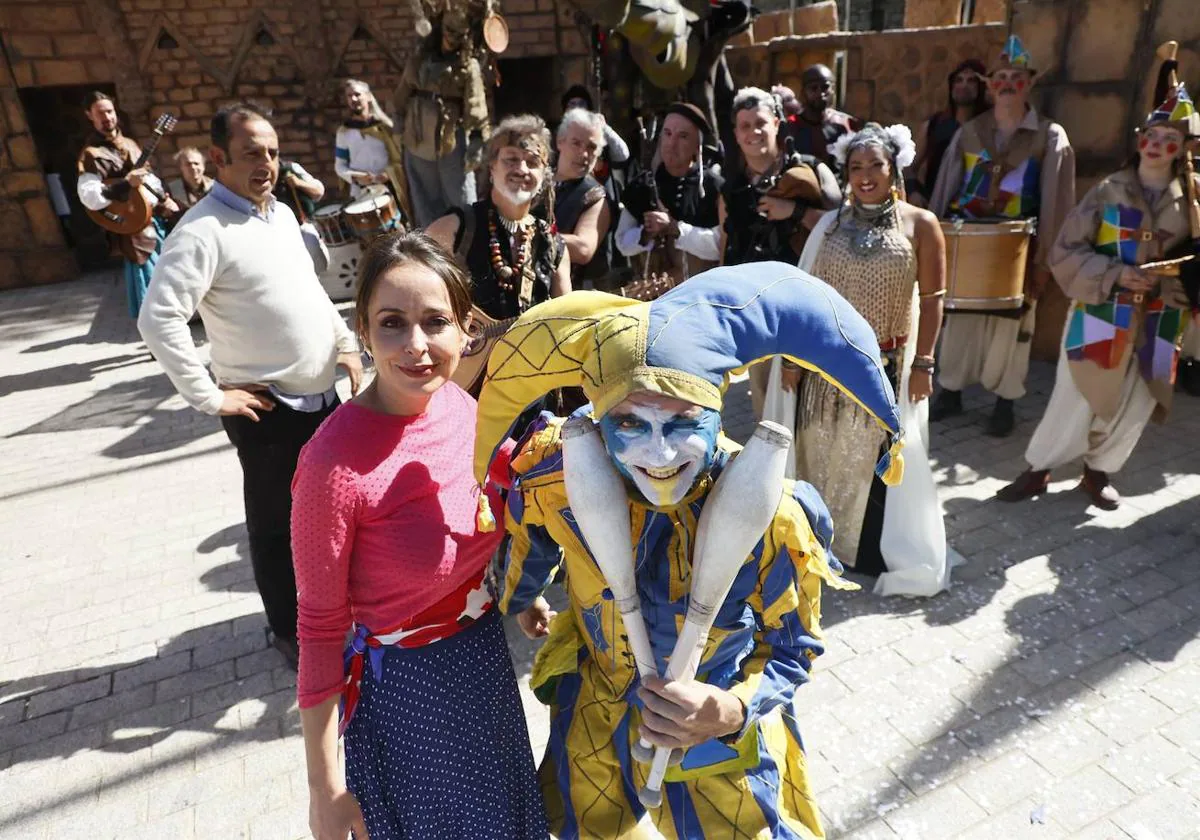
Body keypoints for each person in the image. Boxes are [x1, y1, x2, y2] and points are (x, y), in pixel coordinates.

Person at [471, 263, 904, 839]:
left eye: (683, 423)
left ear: (718, 411)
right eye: (629, 423)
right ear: (598, 422)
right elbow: (532, 545)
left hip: (713, 733)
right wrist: (522, 598)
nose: (659, 452)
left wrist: (728, 711)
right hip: (597, 715)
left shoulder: (776, 517)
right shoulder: (556, 483)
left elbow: (793, 648)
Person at [291, 231, 548, 840]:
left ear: (465, 329)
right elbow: (321, 631)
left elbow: (479, 517)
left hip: (484, 670)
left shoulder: (462, 407)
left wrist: (518, 586)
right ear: (362, 328)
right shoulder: (331, 465)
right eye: (392, 323)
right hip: (409, 703)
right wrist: (325, 790)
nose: (416, 346)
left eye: (435, 322)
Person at [137, 102, 364, 669]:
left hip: (321, 399)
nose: (266, 163)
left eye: (271, 151)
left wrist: (343, 342)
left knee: (333, 512)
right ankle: (289, 629)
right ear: (217, 159)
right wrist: (211, 396)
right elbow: (157, 318)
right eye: (250, 154)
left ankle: (339, 608)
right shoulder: (201, 230)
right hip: (265, 410)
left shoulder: (281, 215)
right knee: (274, 525)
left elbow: (310, 293)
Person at [765, 123, 959, 596]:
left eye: (876, 165)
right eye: (856, 167)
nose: (866, 175)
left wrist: (924, 364)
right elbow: (805, 294)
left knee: (873, 464)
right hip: (822, 370)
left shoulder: (920, 224)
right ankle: (816, 542)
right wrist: (791, 358)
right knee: (817, 455)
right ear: (845, 173)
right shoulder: (828, 226)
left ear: (893, 168)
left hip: (884, 370)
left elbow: (933, 299)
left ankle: (867, 555)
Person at [996, 82, 1200, 509]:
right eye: (1153, 136)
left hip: (1162, 316)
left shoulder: (1191, 204)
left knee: (1139, 397)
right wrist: (1117, 274)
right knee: (1076, 392)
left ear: (1182, 148)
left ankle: (1098, 471)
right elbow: (1065, 250)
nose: (1158, 145)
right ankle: (1039, 468)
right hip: (1102, 309)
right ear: (1140, 139)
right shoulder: (1108, 190)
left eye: (1170, 140)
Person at [928, 34, 1076, 437]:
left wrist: (1044, 263)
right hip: (969, 244)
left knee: (1012, 331)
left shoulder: (1050, 137)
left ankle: (1005, 402)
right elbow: (945, 189)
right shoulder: (969, 132)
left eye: (1016, 76)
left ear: (1029, 83)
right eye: (1001, 77)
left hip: (1019, 250)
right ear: (990, 85)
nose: (1008, 83)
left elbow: (1057, 206)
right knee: (958, 327)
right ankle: (951, 391)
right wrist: (935, 242)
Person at [719, 86, 841, 417]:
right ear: (735, 133)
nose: (753, 132)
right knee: (765, 404)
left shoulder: (811, 169)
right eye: (744, 126)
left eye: (760, 122)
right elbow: (727, 247)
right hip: (757, 310)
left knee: (812, 400)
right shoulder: (731, 187)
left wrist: (796, 212)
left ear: (776, 123)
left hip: (807, 304)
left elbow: (840, 226)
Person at [425, 114, 570, 326]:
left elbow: (568, 322)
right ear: (492, 167)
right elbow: (419, 300)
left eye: (532, 162)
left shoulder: (553, 246)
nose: (521, 169)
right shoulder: (454, 229)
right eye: (511, 159)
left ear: (543, 177)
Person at [76, 91, 179, 319]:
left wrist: (165, 198)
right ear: (89, 116)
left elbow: (149, 179)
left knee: (169, 277)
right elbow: (89, 197)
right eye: (100, 113)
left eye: (109, 111)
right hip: (131, 227)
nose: (107, 117)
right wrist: (124, 184)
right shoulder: (91, 154)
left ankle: (174, 326)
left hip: (155, 220)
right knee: (149, 282)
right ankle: (154, 332)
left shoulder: (131, 144)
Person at [393, 11, 488, 227]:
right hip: (417, 137)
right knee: (425, 199)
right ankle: (431, 249)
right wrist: (398, 125)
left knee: (461, 198)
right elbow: (402, 94)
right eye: (450, 31)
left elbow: (476, 106)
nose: (454, 38)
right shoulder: (419, 60)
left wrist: (476, 143)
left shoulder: (468, 66)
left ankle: (468, 244)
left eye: (460, 34)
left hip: (450, 141)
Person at [617, 101, 724, 285]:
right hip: (649, 294)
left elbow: (718, 246)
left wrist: (675, 228)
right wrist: (646, 233)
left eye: (682, 136)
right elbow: (622, 242)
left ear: (696, 146)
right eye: (667, 134)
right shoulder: (642, 185)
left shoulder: (713, 186)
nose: (671, 144)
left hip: (698, 292)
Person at [906, 59, 989, 208]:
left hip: (977, 210)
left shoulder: (989, 126)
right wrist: (914, 192)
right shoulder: (934, 125)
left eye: (971, 81)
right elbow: (908, 167)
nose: (963, 85)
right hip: (937, 205)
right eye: (959, 80)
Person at [553, 108, 613, 285]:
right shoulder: (538, 180)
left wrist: (534, 235)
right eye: (576, 143)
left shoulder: (594, 196)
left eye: (591, 147)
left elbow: (584, 248)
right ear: (560, 141)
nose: (584, 154)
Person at [335, 79, 406, 206]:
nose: (354, 99)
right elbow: (340, 165)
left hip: (390, 188)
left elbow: (401, 158)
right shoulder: (344, 132)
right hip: (361, 192)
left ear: (368, 96)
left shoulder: (385, 128)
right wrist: (356, 176)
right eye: (349, 96)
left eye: (357, 94)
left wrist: (388, 174)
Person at [787, 63, 861, 172]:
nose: (820, 93)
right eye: (813, 88)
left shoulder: (846, 124)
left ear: (833, 90)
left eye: (825, 87)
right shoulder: (790, 127)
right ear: (803, 92)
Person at [166, 146, 214, 213]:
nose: (193, 167)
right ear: (180, 168)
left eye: (196, 163)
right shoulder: (172, 189)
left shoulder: (215, 187)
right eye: (188, 164)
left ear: (203, 166)